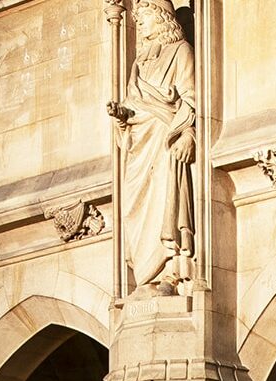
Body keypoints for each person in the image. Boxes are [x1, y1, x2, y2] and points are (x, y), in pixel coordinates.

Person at [108, 0, 196, 295]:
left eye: (143, 17)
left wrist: (189, 135)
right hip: (138, 145)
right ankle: (146, 276)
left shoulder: (180, 51)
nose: (140, 23)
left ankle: (172, 271)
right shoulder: (139, 62)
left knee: (164, 202)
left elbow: (192, 98)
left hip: (164, 137)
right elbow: (134, 107)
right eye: (137, 18)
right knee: (134, 204)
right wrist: (122, 117)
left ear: (161, 18)